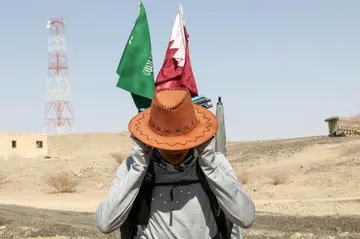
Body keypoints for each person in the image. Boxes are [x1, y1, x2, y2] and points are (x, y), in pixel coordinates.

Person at [96, 87, 255, 239]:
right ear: (151, 138)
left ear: (196, 136)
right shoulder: (133, 166)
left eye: (182, 142)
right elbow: (105, 223)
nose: (174, 150)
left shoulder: (215, 163)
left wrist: (210, 167)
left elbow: (245, 218)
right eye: (165, 143)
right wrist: (139, 169)